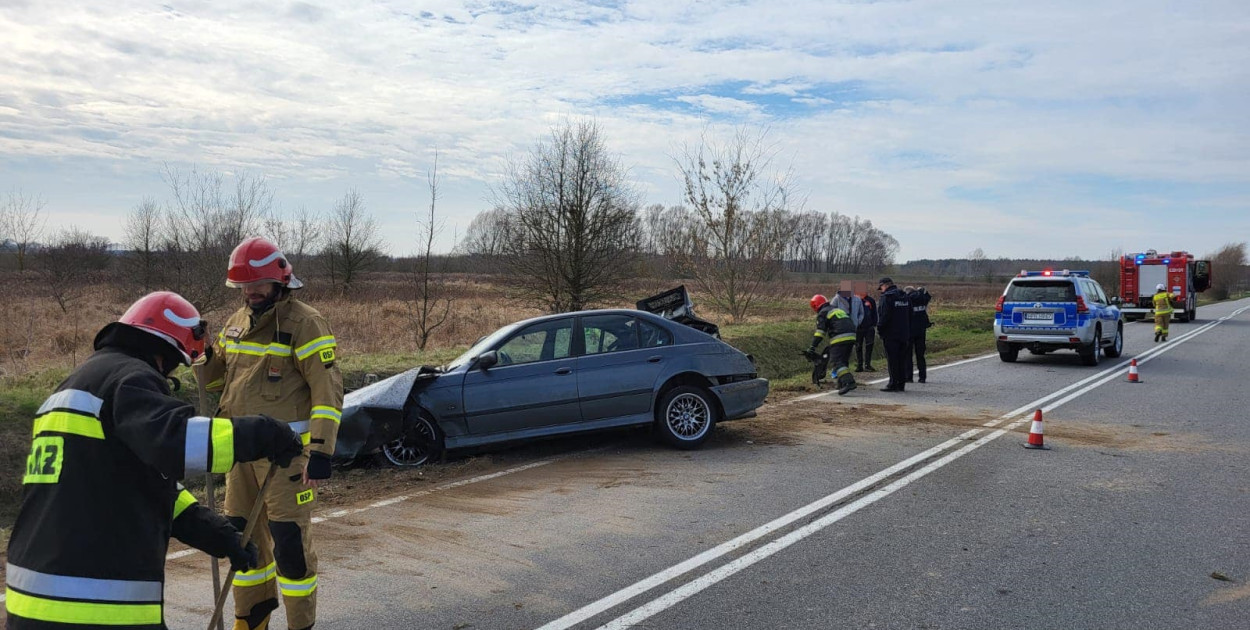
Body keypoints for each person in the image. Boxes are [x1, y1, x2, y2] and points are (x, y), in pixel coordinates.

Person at [5, 291, 304, 630]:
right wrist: (265, 433)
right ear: (165, 353)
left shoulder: (75, 386)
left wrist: (217, 534)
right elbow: (179, 442)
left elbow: (140, 483)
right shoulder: (130, 379)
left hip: (30, 598)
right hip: (93, 605)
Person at [200, 237, 344, 630]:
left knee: (290, 545)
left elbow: (327, 391)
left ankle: (300, 624)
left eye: (257, 284)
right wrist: (204, 354)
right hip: (239, 454)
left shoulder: (306, 323)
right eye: (243, 285)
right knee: (241, 542)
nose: (250, 291)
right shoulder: (236, 321)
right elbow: (218, 385)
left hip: (287, 458)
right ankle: (251, 620)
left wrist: (321, 450)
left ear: (280, 280)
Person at [806, 294, 858, 395]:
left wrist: (812, 346)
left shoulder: (823, 313)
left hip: (840, 337)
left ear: (815, 306)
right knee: (843, 361)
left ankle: (849, 382)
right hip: (852, 336)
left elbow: (820, 332)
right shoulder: (836, 309)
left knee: (837, 362)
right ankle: (841, 383)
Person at [876, 277, 912, 392]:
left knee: (892, 360)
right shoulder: (905, 296)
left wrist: (880, 329)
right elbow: (911, 313)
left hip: (890, 334)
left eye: (881, 287)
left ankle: (893, 383)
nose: (881, 290)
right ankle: (901, 383)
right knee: (902, 359)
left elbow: (884, 316)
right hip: (904, 333)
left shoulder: (887, 297)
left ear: (885, 285)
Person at [904, 286, 932, 383]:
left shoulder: (907, 300)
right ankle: (922, 377)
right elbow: (928, 296)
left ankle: (908, 377)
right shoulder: (922, 299)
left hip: (910, 330)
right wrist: (921, 290)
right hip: (921, 330)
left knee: (908, 354)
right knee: (920, 354)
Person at [856, 290, 878, 372]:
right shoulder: (855, 300)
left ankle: (867, 364)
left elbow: (874, 312)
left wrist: (874, 324)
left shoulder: (870, 300)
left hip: (869, 327)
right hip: (858, 327)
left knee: (869, 345)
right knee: (858, 346)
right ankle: (859, 365)